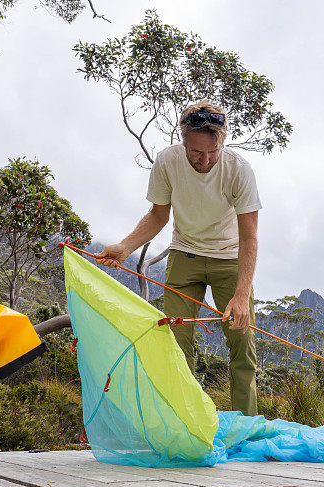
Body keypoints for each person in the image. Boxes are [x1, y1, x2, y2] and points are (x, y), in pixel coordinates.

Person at [96, 100, 260, 416]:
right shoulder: (168, 162)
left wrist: (241, 295)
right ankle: (184, 423)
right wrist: (126, 246)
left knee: (242, 346)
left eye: (213, 151)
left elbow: (250, 237)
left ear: (221, 140)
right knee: (175, 344)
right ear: (183, 138)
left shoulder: (239, 170)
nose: (206, 159)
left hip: (229, 259)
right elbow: (158, 215)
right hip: (185, 255)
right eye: (197, 152)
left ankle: (248, 429)